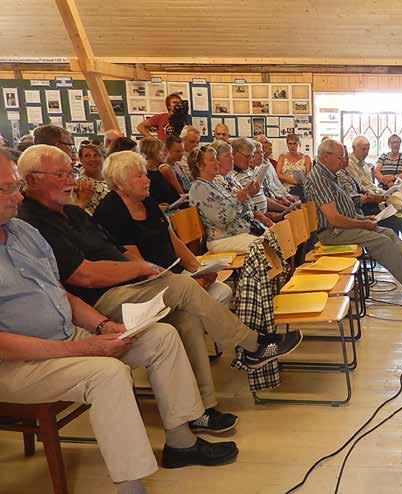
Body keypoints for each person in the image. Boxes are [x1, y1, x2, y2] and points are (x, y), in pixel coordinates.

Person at [16, 144, 303, 434]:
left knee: (187, 319)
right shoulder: (36, 222)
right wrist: (141, 270)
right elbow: (85, 275)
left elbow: (118, 250)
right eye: (62, 174)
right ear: (32, 179)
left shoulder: (74, 214)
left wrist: (189, 269)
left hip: (132, 285)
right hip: (101, 301)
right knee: (181, 286)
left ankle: (202, 409)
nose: (72, 179)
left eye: (70, 172)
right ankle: (252, 345)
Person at [0, 149, 239, 494]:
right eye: (8, 189)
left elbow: (61, 294)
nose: (17, 196)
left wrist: (102, 326)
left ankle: (181, 441)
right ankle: (131, 486)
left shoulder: (23, 232)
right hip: (19, 363)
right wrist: (84, 347)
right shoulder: (33, 222)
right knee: (108, 374)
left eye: (17, 186)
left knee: (161, 337)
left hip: (67, 335)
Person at [305, 139, 402, 294]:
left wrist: (363, 219)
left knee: (388, 233)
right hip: (332, 232)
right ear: (325, 157)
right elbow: (334, 219)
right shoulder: (320, 178)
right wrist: (363, 224)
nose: (343, 160)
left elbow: (343, 209)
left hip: (343, 226)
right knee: (382, 241)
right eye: (340, 157)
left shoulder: (330, 175)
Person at [93, 151, 232, 306]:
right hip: (146, 284)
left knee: (222, 291)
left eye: (146, 174)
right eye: (139, 176)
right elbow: (138, 264)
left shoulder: (147, 202)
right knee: (201, 298)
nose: (147, 180)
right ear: (120, 183)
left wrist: (199, 270)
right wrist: (183, 283)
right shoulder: (111, 212)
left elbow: (173, 240)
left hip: (172, 272)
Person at [188, 144, 270, 253]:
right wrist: (238, 199)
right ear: (199, 165)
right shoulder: (199, 188)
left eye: (216, 159)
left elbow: (241, 210)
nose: (217, 162)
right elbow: (222, 221)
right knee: (262, 247)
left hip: (240, 233)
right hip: (221, 239)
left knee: (275, 237)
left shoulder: (215, 184)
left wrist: (246, 195)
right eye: (212, 160)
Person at [138, 137, 182, 207]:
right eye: (161, 151)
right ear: (152, 152)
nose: (164, 153)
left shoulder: (157, 171)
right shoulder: (146, 175)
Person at [256, 134, 298, 204]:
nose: (270, 144)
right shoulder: (258, 165)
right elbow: (269, 189)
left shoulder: (268, 161)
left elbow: (277, 183)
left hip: (282, 194)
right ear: (259, 146)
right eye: (266, 142)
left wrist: (288, 196)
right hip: (275, 199)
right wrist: (283, 198)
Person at [73, 142, 111, 215]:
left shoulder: (111, 180)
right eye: (87, 156)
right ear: (81, 159)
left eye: (96, 155)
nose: (92, 159)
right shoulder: (80, 185)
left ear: (103, 157)